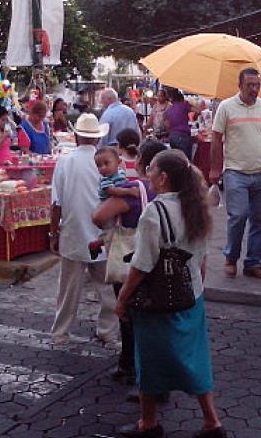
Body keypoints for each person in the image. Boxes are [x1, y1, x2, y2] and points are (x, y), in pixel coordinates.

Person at [116, 149, 225, 438]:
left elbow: (141, 265)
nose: (146, 173)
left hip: (158, 299)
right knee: (196, 358)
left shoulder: (156, 211)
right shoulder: (198, 207)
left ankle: (148, 423)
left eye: (150, 169)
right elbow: (200, 257)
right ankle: (212, 422)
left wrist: (123, 298)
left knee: (149, 358)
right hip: (191, 295)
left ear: (163, 178)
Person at [92, 139, 167, 386]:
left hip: (130, 259)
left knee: (126, 312)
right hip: (158, 259)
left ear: (141, 163)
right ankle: (147, 364)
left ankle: (130, 365)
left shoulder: (134, 189)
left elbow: (99, 216)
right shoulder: (169, 191)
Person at [48, 114, 117, 345]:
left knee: (68, 289)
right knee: (107, 288)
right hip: (102, 233)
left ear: (76, 135)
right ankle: (107, 331)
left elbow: (56, 203)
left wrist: (53, 233)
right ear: (97, 138)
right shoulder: (108, 162)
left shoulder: (65, 161)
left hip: (73, 231)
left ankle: (60, 333)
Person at [209, 68, 261, 280]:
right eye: (250, 85)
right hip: (235, 172)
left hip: (260, 171)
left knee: (259, 218)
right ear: (240, 85)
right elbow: (215, 138)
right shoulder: (226, 107)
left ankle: (253, 262)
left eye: (257, 85)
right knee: (238, 215)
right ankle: (231, 258)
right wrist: (214, 168)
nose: (254, 89)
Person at [165, 88, 193, 159]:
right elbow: (198, 110)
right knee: (186, 160)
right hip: (183, 136)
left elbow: (167, 125)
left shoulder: (168, 110)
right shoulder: (184, 105)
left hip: (172, 136)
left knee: (176, 159)